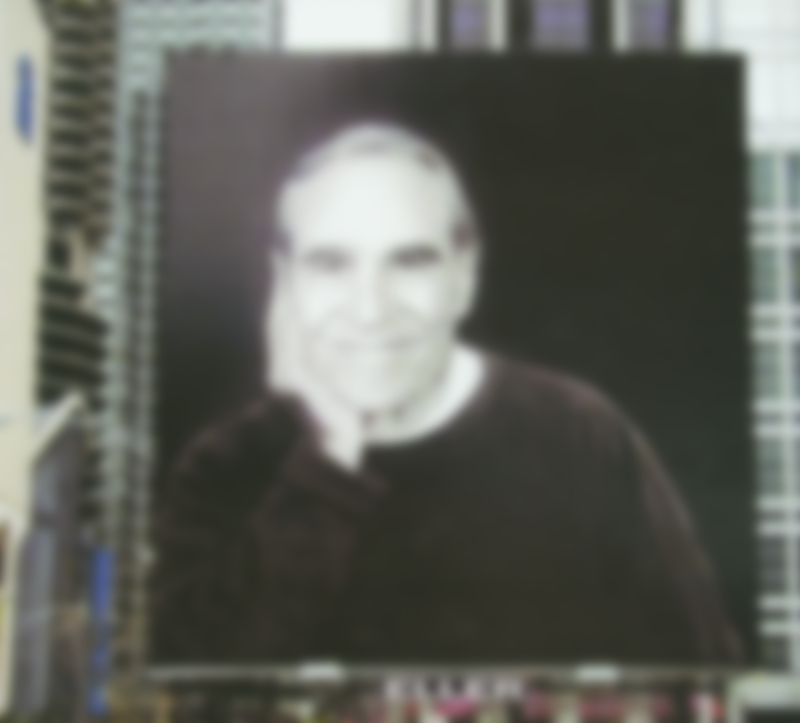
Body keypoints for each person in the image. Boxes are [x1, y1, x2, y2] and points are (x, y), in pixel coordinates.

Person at [152, 122, 742, 665]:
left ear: (464, 276)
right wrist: (329, 456)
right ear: (284, 282)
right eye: (330, 264)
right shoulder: (224, 465)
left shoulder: (582, 435)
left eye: (410, 261)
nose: (370, 309)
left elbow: (702, 679)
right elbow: (188, 688)